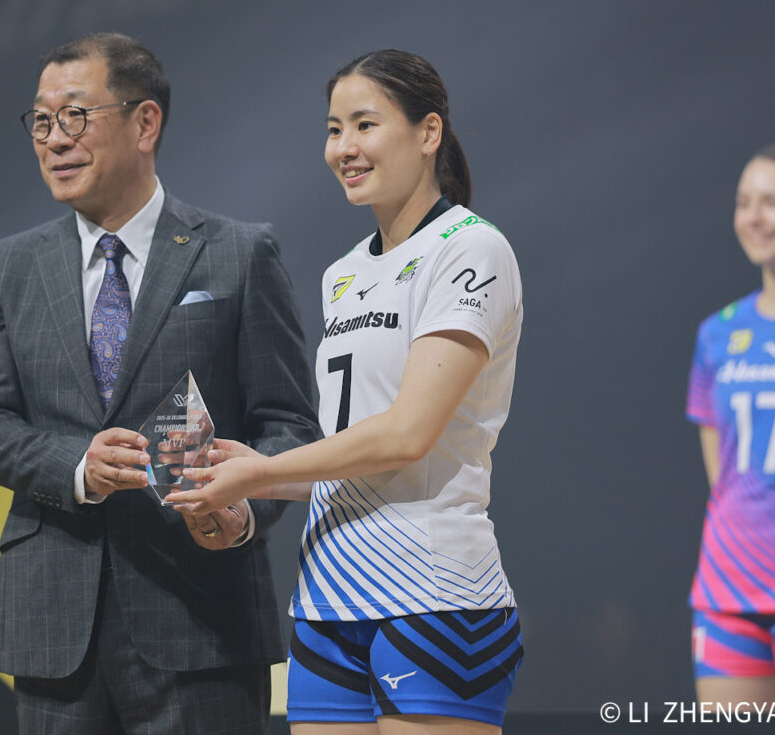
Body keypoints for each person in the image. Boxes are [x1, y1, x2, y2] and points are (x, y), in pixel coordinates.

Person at [0, 32, 320, 734]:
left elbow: (288, 427)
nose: (55, 140)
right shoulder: (6, 267)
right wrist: (78, 465)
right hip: (54, 628)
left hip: (203, 618)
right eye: (40, 121)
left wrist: (241, 510)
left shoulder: (238, 254)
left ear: (145, 122)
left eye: (75, 115)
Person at [169, 49, 524, 734]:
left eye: (365, 125)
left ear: (428, 132)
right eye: (334, 130)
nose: (344, 148)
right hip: (327, 602)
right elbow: (349, 460)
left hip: (434, 593)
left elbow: (406, 437)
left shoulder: (470, 249)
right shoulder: (343, 274)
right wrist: (246, 473)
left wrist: (263, 471)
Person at [686, 139, 775, 707]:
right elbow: (722, 480)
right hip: (727, 590)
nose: (753, 217)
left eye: (771, 202)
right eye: (744, 202)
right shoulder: (717, 333)